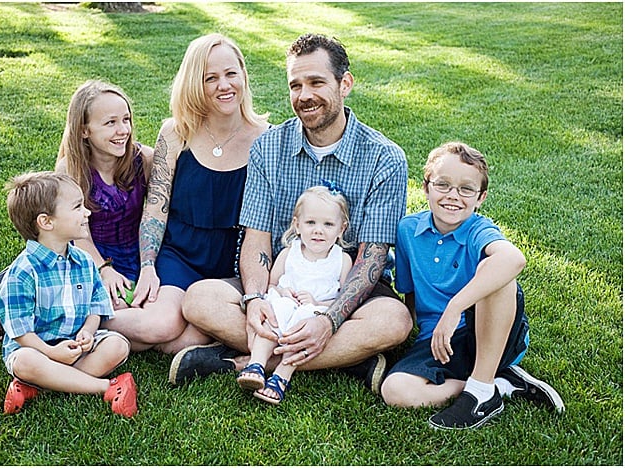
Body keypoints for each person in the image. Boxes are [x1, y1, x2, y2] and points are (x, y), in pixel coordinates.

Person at [173, 33, 413, 395]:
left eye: (316, 82)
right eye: (295, 85)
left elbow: (372, 258)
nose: (304, 95)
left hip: (341, 285)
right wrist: (254, 299)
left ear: (344, 83)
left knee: (394, 321)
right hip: (281, 283)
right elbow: (257, 237)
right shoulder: (268, 147)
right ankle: (349, 358)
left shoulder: (384, 157)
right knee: (199, 299)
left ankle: (249, 360)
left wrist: (331, 320)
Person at [98, 33, 270, 352]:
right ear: (195, 83)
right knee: (161, 326)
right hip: (180, 255)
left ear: (243, 75)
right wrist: (148, 266)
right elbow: (155, 208)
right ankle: (72, 319)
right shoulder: (176, 132)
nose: (224, 85)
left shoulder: (267, 140)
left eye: (231, 73)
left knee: (181, 340)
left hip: (233, 262)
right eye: (211, 78)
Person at [380, 142, 564, 430]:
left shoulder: (479, 229)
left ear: (481, 198)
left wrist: (455, 308)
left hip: (489, 334)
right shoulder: (407, 230)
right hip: (437, 340)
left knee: (496, 272)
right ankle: (499, 384)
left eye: (466, 189)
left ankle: (479, 394)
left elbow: (514, 259)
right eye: (443, 185)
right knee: (395, 390)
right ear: (426, 187)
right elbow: (410, 294)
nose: (453, 196)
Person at [0, 80, 154, 349]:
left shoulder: (144, 160)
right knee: (104, 304)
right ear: (84, 130)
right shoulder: (72, 168)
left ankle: (18, 299)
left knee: (144, 312)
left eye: (126, 119)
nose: (123, 131)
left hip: (133, 255)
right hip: (89, 255)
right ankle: (19, 306)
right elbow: (76, 230)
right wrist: (103, 269)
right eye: (110, 123)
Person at [0, 171, 137, 417]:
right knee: (24, 361)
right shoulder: (22, 272)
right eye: (78, 207)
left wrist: (88, 332)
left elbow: (95, 307)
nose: (87, 213)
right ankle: (107, 387)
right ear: (46, 222)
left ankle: (39, 385)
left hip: (77, 346)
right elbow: (21, 333)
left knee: (118, 346)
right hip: (37, 349)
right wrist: (50, 353)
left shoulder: (84, 261)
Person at [236, 185, 353, 404]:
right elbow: (272, 283)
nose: (318, 230)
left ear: (341, 229)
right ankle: (257, 364)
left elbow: (342, 298)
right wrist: (283, 292)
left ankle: (282, 374)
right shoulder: (289, 253)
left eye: (328, 224)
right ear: (297, 225)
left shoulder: (341, 260)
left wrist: (317, 302)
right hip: (286, 303)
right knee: (275, 312)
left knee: (305, 323)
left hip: (316, 312)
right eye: (311, 223)